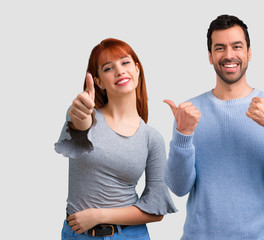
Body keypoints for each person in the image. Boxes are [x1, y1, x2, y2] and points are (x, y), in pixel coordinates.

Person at [163, 14, 264, 240]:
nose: (229, 55)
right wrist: (183, 134)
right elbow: (179, 188)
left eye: (236, 46)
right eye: (220, 48)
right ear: (210, 56)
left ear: (249, 52)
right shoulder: (189, 114)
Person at [54, 38, 177, 239]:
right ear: (99, 82)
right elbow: (79, 126)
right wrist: (78, 114)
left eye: (125, 62)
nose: (119, 71)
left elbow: (156, 210)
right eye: (108, 68)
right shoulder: (85, 116)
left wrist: (98, 215)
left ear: (137, 69)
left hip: (129, 235)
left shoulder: (152, 138)